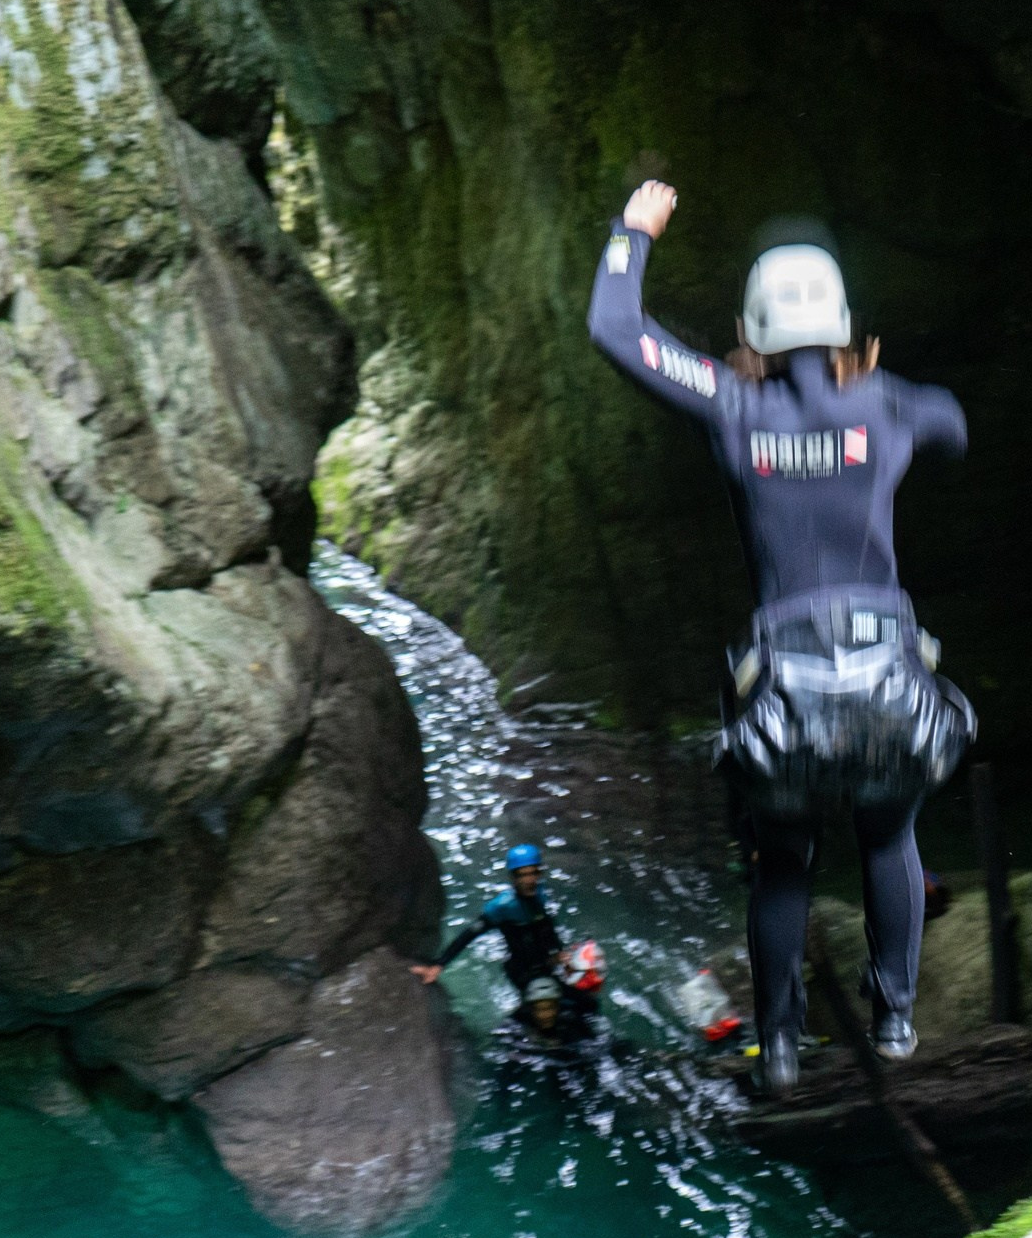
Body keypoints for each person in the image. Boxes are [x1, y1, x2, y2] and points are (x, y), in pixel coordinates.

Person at [586, 179, 973, 1094]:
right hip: (886, 671)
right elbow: (953, 424)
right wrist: (879, 407)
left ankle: (783, 1045)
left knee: (784, 860)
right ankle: (895, 1020)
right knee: (888, 838)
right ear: (842, 324)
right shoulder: (888, 403)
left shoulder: (732, 402)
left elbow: (616, 328)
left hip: (786, 681)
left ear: (752, 329)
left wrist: (633, 232)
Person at [413, 845, 567, 991]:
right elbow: (469, 934)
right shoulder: (502, 907)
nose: (529, 880)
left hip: (546, 962)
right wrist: (439, 965)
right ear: (513, 878)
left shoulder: (540, 892)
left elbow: (546, 925)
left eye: (534, 873)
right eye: (523, 875)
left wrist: (559, 951)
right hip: (521, 968)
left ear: (539, 874)